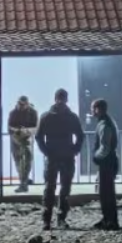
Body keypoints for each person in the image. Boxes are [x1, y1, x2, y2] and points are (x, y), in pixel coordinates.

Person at [35, 88, 83, 230]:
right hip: (59, 156)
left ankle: (54, 219)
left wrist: (74, 150)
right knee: (55, 188)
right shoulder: (56, 116)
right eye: (60, 98)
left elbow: (80, 136)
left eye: (62, 98)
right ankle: (52, 219)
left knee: (59, 188)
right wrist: (73, 150)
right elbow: (39, 137)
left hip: (59, 156)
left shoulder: (51, 116)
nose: (61, 101)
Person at [91, 99, 119, 230]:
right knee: (107, 192)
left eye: (93, 108)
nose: (92, 111)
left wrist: (96, 156)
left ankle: (110, 221)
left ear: (98, 109)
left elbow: (105, 146)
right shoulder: (108, 121)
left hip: (106, 162)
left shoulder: (104, 124)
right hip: (110, 161)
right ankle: (108, 219)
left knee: (106, 193)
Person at [7, 96, 38, 193]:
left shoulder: (33, 112)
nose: (20, 106)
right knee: (18, 161)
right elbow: (9, 128)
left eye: (23, 104)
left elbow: (36, 127)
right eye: (19, 104)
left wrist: (26, 131)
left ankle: (23, 182)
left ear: (27, 104)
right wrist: (17, 130)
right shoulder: (13, 113)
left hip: (27, 138)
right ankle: (23, 180)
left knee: (28, 159)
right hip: (15, 138)